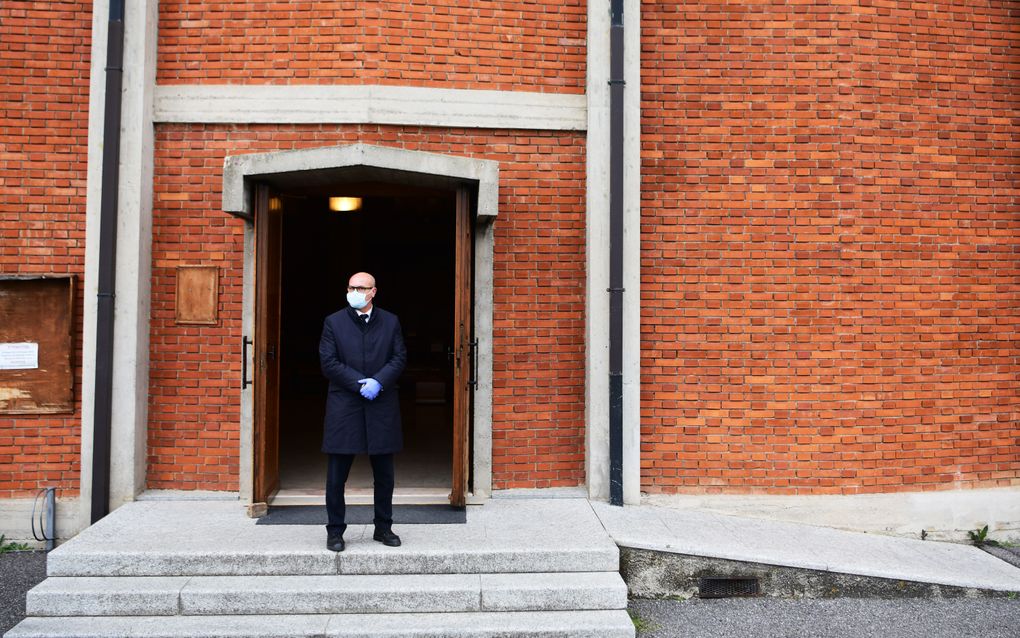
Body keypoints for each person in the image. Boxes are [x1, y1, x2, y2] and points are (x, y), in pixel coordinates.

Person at [319, 272, 407, 552]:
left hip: (381, 403)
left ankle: (383, 528)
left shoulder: (390, 321)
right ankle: (335, 531)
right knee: (336, 476)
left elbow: (399, 357)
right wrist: (359, 384)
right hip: (345, 405)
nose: (354, 291)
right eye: (351, 287)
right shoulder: (333, 322)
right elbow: (329, 362)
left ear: (373, 292)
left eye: (360, 287)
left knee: (384, 475)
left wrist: (379, 381)